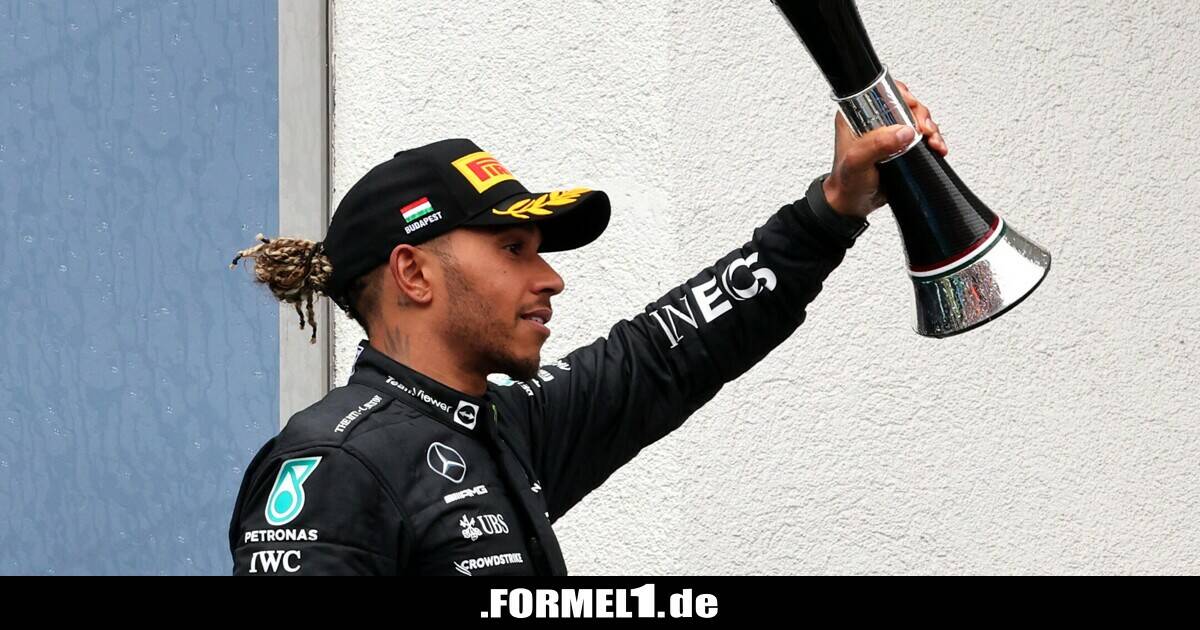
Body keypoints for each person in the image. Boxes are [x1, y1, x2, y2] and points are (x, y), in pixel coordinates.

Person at [227, 83, 947, 575]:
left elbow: (670, 349)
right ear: (413, 274)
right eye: (514, 249)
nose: (550, 278)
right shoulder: (333, 464)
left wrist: (834, 207)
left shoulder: (505, 426)